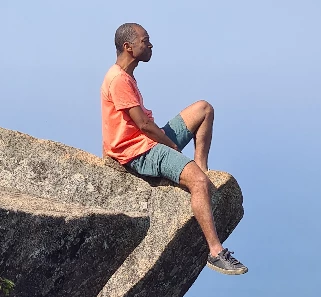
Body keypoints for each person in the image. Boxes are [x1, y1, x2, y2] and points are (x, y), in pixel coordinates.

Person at [101, 23, 248, 275]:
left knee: (204, 108)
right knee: (199, 183)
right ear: (128, 47)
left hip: (145, 140)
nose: (150, 45)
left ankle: (201, 166)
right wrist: (171, 148)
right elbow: (144, 125)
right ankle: (215, 252)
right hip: (137, 152)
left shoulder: (125, 75)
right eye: (145, 41)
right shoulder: (118, 80)